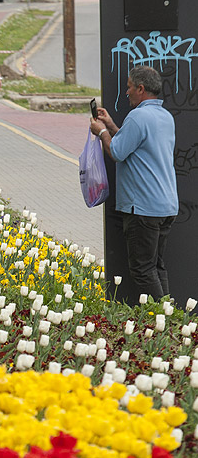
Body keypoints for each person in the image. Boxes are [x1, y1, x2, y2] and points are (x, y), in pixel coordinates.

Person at [90, 65, 178, 301]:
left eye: (129, 87)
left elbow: (117, 152)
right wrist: (110, 125)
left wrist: (101, 133)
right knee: (157, 266)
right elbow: (134, 146)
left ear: (140, 88)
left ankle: (161, 321)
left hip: (143, 207)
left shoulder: (138, 116)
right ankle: (169, 319)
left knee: (143, 269)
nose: (126, 92)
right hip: (166, 204)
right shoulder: (164, 116)